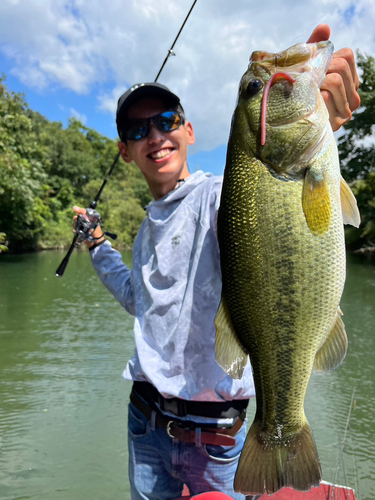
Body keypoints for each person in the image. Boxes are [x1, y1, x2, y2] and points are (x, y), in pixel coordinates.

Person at [74, 24, 360, 500]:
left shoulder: (218, 197)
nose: (155, 135)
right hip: (144, 423)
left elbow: (270, 202)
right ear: (125, 150)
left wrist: (318, 122)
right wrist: (99, 245)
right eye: (137, 129)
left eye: (165, 120)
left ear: (188, 130)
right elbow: (137, 299)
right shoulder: (146, 230)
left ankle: (281, 425)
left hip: (219, 440)